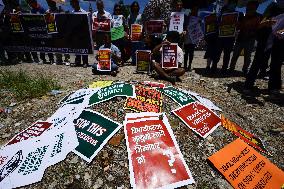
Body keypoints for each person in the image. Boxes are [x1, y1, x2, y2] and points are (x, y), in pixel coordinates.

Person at [243, 1, 284, 96]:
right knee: (257, 61)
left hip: (279, 39)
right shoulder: (272, 6)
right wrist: (266, 23)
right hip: (265, 37)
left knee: (276, 63)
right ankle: (248, 85)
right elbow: (260, 24)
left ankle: (274, 87)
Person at [229, 1, 261, 74]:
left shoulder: (258, 16)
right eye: (249, 6)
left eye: (253, 5)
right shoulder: (242, 16)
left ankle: (245, 69)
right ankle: (232, 68)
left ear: (256, 6)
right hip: (241, 38)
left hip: (250, 39)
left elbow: (258, 28)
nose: (249, 7)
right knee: (236, 55)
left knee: (247, 56)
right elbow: (238, 27)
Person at [215, 2, 238, 73]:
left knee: (227, 54)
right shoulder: (220, 17)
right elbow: (216, 25)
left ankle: (224, 68)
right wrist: (220, 24)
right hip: (220, 38)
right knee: (217, 53)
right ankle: (214, 67)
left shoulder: (236, 15)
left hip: (230, 38)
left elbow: (238, 26)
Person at [46, 0, 70, 65]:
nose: (51, 4)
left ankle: (67, 59)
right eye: (49, 2)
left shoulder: (60, 9)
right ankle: (59, 59)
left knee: (64, 44)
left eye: (52, 2)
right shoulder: (47, 12)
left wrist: (63, 12)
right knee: (56, 45)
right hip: (54, 31)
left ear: (54, 3)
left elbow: (66, 17)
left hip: (62, 30)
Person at [70, 0, 89, 68]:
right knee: (77, 48)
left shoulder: (84, 12)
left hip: (83, 33)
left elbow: (87, 24)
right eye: (71, 3)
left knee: (83, 48)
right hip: (75, 33)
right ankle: (77, 61)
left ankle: (85, 62)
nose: (72, 4)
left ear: (77, 3)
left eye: (73, 3)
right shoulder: (72, 13)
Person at [183, 6, 201, 71]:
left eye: (196, 10)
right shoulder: (187, 18)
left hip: (193, 38)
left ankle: (189, 65)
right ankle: (185, 65)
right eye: (194, 10)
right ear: (191, 10)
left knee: (191, 53)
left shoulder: (198, 18)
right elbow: (184, 26)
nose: (195, 11)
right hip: (187, 37)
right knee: (186, 52)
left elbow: (199, 28)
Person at [127, 1, 143, 65]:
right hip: (132, 35)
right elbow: (128, 26)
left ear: (138, 7)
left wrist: (142, 33)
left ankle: (139, 60)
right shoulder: (129, 16)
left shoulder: (141, 16)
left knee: (139, 47)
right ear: (132, 7)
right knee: (133, 47)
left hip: (139, 34)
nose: (135, 7)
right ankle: (134, 60)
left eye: (136, 6)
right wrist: (129, 35)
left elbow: (143, 25)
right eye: (134, 6)